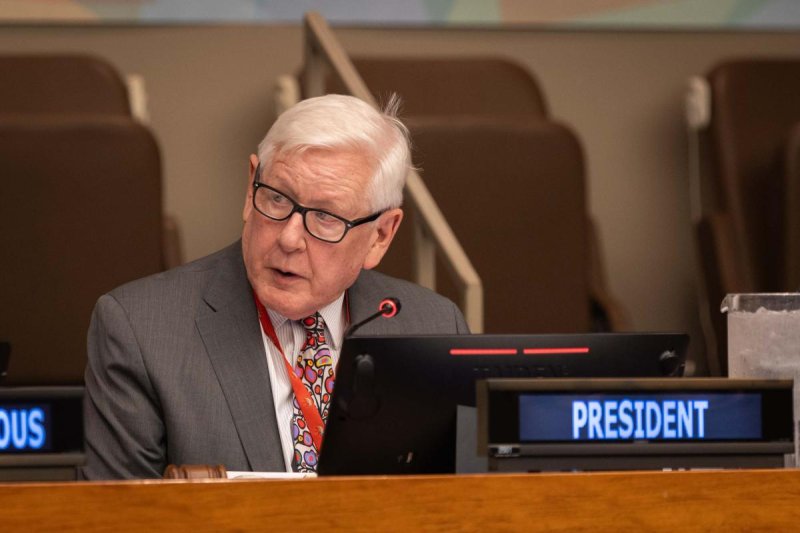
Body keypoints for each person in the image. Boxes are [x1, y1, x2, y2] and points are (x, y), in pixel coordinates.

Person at [82, 94, 470, 479]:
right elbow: (117, 511)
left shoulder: (433, 326)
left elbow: (466, 500)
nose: (289, 238)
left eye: (326, 217)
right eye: (277, 199)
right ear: (251, 188)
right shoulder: (141, 330)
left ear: (381, 235)